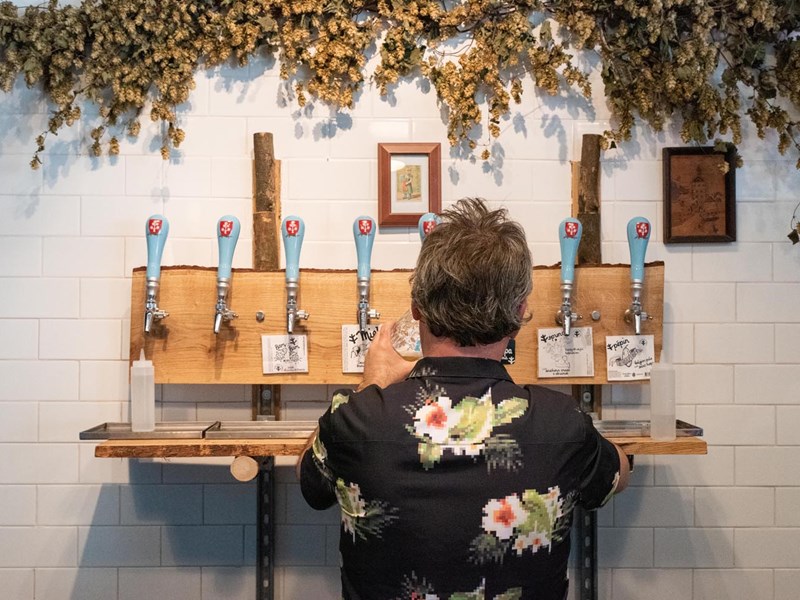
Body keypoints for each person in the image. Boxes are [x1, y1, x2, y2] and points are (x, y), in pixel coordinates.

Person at [299, 198, 630, 600]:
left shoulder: (358, 418)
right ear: (520, 311)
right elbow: (615, 478)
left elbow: (311, 485)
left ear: (417, 307)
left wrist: (371, 386)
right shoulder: (561, 422)